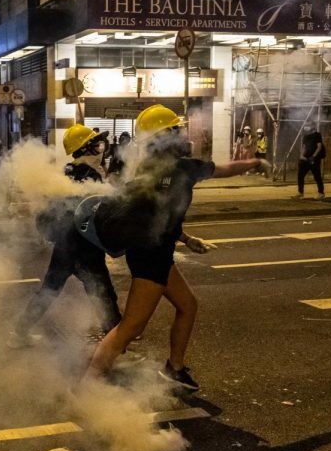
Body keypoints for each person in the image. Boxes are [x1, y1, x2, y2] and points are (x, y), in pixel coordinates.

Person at [83, 105, 263, 390]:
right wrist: (254, 163)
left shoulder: (149, 169)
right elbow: (226, 169)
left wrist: (187, 239)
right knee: (131, 327)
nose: (182, 134)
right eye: (176, 129)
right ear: (165, 136)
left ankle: (175, 369)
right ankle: (89, 383)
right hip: (152, 258)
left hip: (153, 252)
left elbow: (161, 218)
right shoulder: (184, 168)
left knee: (188, 305)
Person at [8, 124, 121, 349]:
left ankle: (19, 332)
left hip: (65, 243)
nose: (102, 147)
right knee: (103, 295)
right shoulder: (86, 174)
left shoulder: (72, 170)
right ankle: (117, 344)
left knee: (50, 290)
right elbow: (90, 211)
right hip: (84, 246)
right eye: (97, 144)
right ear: (86, 148)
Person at [294, 124, 325, 200]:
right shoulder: (305, 136)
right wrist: (302, 156)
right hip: (305, 159)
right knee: (300, 175)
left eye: (308, 125)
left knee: (317, 176)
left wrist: (313, 156)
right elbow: (304, 147)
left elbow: (319, 146)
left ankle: (321, 193)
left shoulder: (317, 135)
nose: (306, 127)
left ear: (312, 127)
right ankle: (300, 193)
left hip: (314, 159)